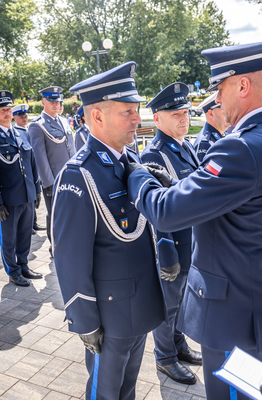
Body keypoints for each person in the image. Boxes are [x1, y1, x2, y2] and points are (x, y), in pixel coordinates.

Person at [125, 41, 262, 400]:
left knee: (235, 395)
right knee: (259, 391)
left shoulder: (241, 147)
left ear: (243, 86)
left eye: (220, 88)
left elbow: (167, 212)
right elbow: (229, 201)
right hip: (260, 303)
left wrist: (139, 176)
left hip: (232, 318)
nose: (217, 100)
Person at [52, 62, 167, 400]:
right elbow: (70, 259)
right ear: (98, 117)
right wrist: (85, 321)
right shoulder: (79, 175)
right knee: (106, 393)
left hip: (138, 305)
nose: (137, 118)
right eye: (128, 111)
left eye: (137, 110)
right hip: (110, 317)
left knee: (127, 390)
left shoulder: (129, 162)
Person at [141, 82, 202, 385]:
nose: (183, 118)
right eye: (175, 113)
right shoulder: (155, 156)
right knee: (168, 306)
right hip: (174, 246)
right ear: (157, 119)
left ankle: (178, 346)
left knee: (181, 303)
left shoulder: (185, 145)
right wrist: (166, 253)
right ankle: (165, 358)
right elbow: (155, 215)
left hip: (191, 242)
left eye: (185, 112)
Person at [0, 91, 42, 286]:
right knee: (8, 239)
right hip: (8, 200)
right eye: (3, 110)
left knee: (25, 234)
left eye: (9, 109)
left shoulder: (21, 134)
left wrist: (37, 189)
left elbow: (32, 163)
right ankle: (13, 271)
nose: (7, 114)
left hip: (27, 195)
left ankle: (23, 265)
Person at [28, 86, 76, 257]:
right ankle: (55, 245)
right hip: (54, 179)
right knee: (55, 214)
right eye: (52, 101)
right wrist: (48, 183)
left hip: (70, 176)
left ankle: (69, 242)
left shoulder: (63, 121)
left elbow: (72, 149)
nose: (56, 104)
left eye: (58, 101)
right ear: (43, 102)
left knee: (71, 211)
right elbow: (40, 157)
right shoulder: (37, 126)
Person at [12, 104, 46, 234]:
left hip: (35, 167)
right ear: (15, 117)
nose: (24, 118)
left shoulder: (28, 130)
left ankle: (34, 222)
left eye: (26, 115)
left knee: (34, 198)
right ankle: (29, 225)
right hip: (25, 170)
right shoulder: (15, 133)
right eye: (21, 116)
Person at [193, 92, 230, 162]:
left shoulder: (224, 134)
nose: (228, 112)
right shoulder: (204, 143)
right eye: (223, 109)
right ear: (211, 113)